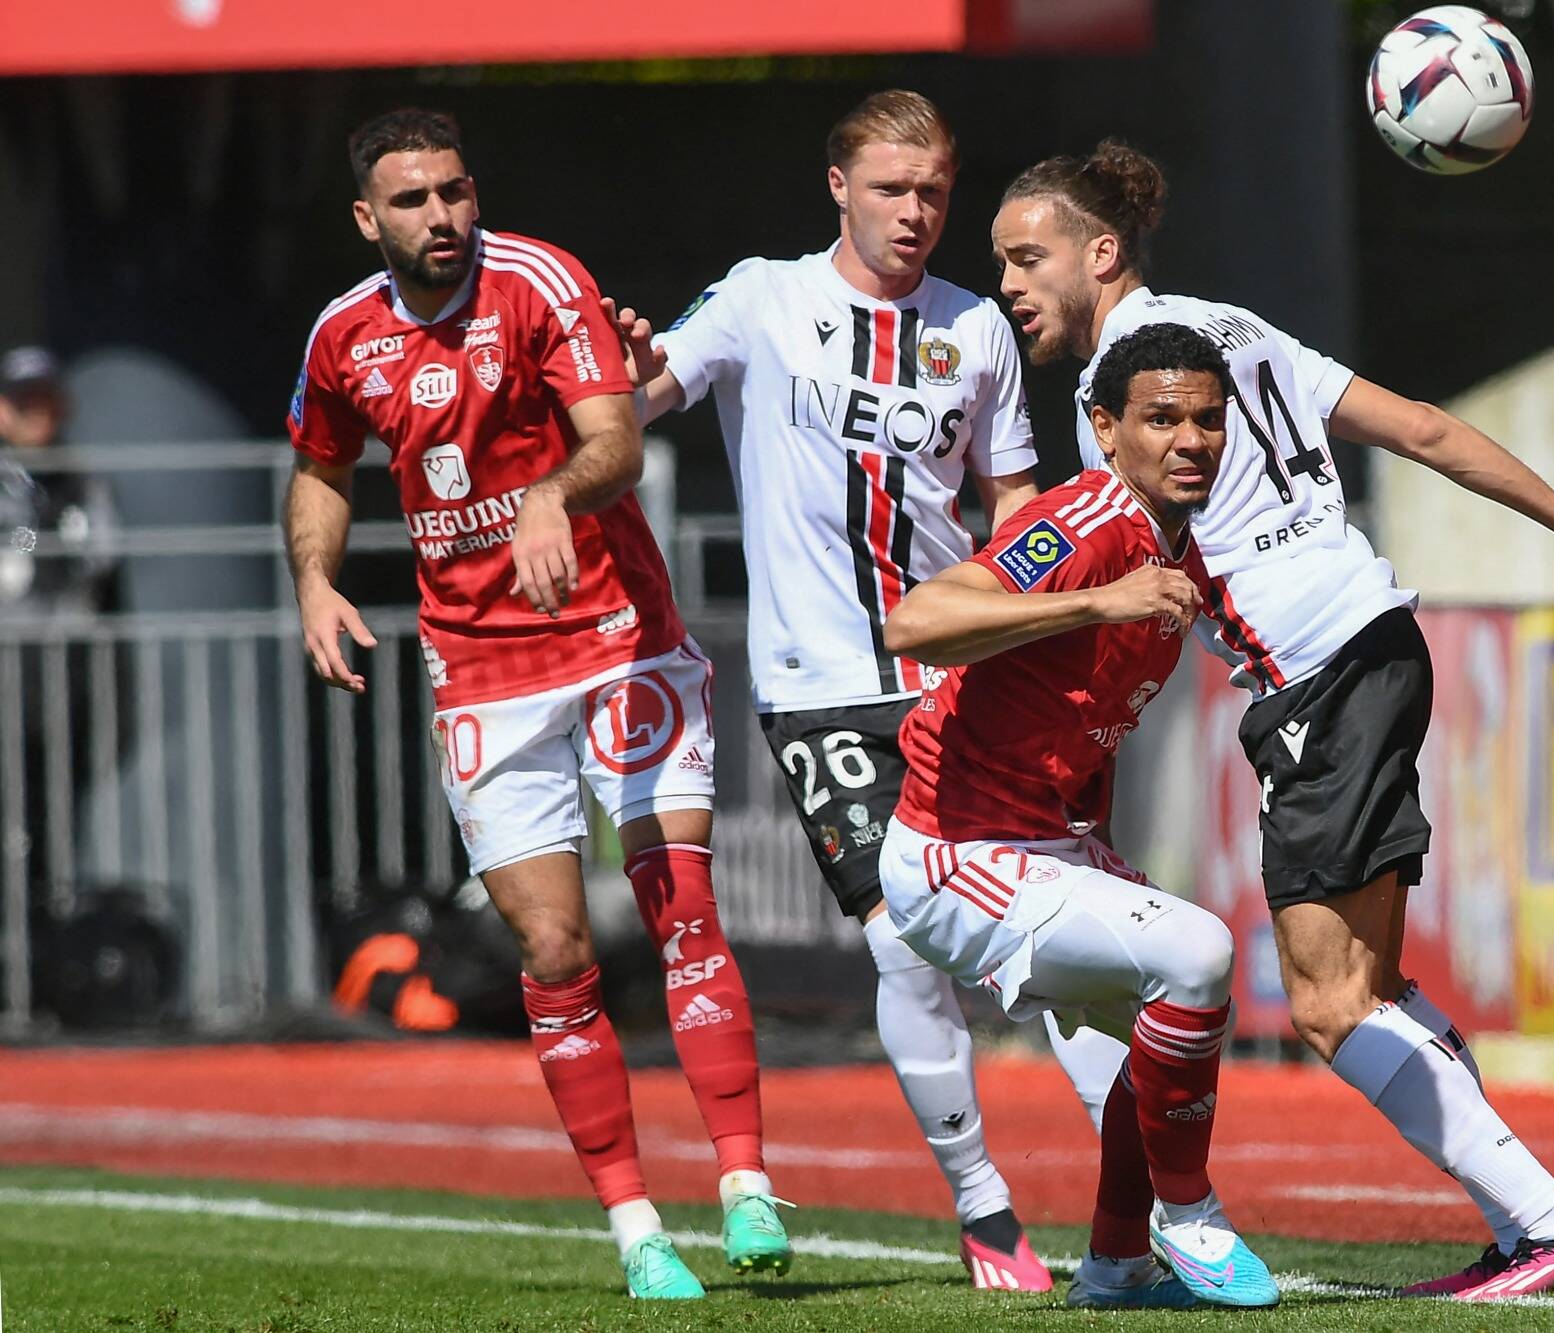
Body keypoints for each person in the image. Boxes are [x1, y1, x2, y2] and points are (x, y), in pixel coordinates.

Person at [991, 141, 1554, 1301]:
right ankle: (1534, 1226)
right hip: (1373, 646)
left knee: (1327, 998)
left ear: (1098, 254)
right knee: (1367, 982)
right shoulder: (1237, 327)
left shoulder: (1123, 392)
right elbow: (1419, 428)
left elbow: (1126, 580)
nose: (1008, 284)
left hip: (1317, 676)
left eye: (1024, 257)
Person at [609, 90, 1125, 1291]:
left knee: (1053, 940)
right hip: (821, 688)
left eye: (934, 191)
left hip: (962, 671)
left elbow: (1010, 510)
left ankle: (1150, 1194)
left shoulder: (973, 330)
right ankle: (985, 1208)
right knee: (903, 948)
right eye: (892, 188)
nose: (915, 212)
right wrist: (628, 381)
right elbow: (637, 407)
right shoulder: (761, 297)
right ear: (835, 185)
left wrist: (1047, 629)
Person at [284, 107, 789, 1301]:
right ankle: (634, 1229)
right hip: (482, 670)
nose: (442, 217)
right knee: (553, 947)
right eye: (411, 201)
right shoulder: (343, 337)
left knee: (681, 904)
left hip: (620, 638)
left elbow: (614, 436)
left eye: (454, 192)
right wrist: (311, 580)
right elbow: (318, 467)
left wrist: (556, 494)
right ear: (369, 219)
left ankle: (745, 1180)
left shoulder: (537, 280)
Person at [881, 322, 1279, 1311]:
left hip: (1049, 842)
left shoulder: (1184, 539)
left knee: (1150, 1060)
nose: (1189, 440)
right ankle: (1188, 1212)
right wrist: (1096, 604)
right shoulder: (1086, 522)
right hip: (955, 848)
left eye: (1206, 420)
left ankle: (1113, 1267)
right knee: (1195, 953)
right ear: (1104, 428)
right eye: (1160, 420)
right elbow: (915, 621)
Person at [0, 345, 117, 618]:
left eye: (45, 402)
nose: (38, 416)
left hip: (70, 632)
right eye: (25, 405)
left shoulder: (82, 477)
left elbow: (104, 551)